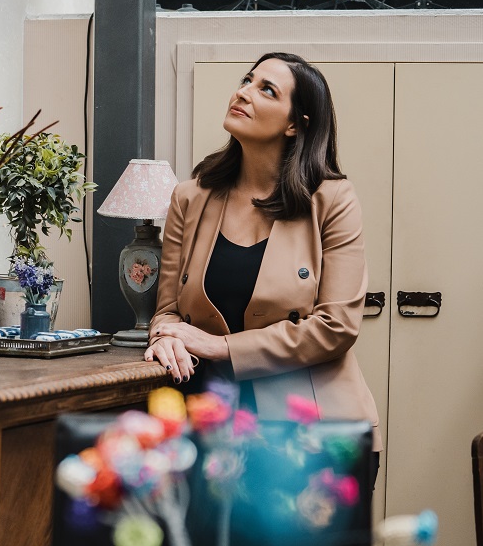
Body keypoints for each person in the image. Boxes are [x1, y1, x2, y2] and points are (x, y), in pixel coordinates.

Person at [144, 51, 381, 456]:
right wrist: (164, 336)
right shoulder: (190, 196)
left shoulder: (332, 199)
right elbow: (168, 311)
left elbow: (336, 326)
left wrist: (221, 347)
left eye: (266, 89)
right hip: (210, 424)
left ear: (295, 124)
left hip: (312, 433)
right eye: (247, 81)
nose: (243, 93)